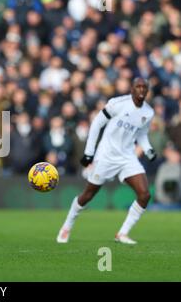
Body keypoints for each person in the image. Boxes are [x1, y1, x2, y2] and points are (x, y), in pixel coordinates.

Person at [56, 77, 156, 245]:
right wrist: (89, 153)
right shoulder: (117, 103)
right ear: (131, 89)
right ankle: (67, 225)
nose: (141, 90)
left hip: (127, 156)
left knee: (145, 194)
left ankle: (122, 233)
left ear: (147, 91)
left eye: (144, 87)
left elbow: (141, 134)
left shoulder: (148, 112)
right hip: (106, 155)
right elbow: (96, 123)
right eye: (137, 86)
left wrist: (148, 149)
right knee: (88, 195)